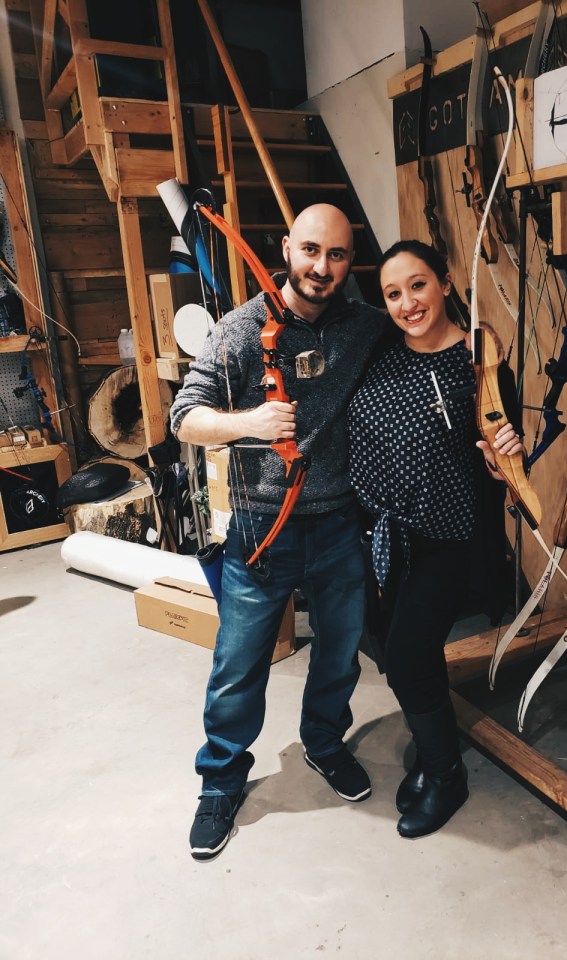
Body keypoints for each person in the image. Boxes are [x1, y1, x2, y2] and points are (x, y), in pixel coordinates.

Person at [170, 204, 386, 861]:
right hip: (263, 528)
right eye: (311, 250)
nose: (322, 267)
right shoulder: (240, 330)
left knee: (339, 651)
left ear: (352, 262)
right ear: (287, 246)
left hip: (338, 523)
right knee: (239, 666)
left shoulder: (365, 326)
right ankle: (220, 784)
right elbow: (185, 416)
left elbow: (430, 344)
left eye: (338, 255)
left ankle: (323, 744)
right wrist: (249, 424)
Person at [347, 239, 523, 839]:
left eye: (417, 285)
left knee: (405, 658)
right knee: (395, 649)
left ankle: (446, 775)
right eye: (393, 293)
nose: (406, 303)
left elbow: (505, 446)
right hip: (391, 534)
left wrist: (507, 457)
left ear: (445, 283)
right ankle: (432, 745)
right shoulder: (380, 352)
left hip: (453, 537)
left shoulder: (480, 363)